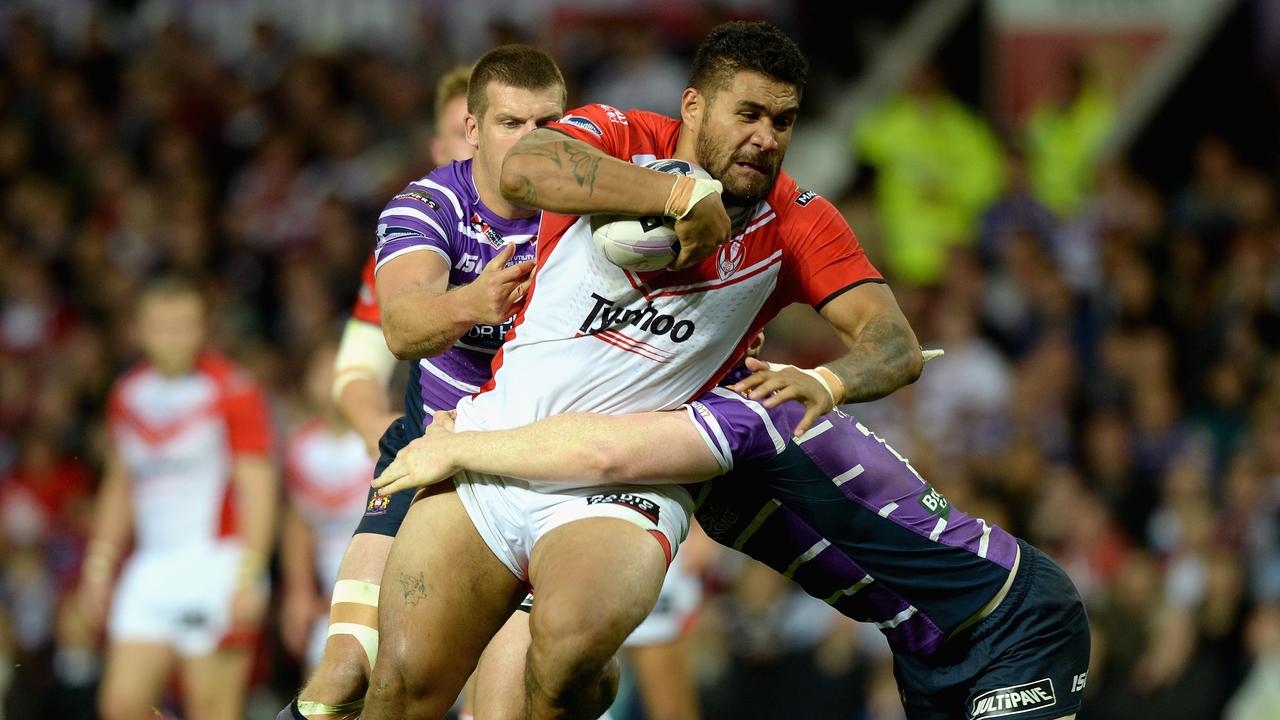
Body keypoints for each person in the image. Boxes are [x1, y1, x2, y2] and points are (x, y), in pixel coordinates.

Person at [362, 20, 922, 720]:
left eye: (783, 121)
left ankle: (586, 681)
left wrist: (832, 379)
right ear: (693, 107)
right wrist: (677, 197)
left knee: (562, 658)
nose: (766, 137)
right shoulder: (620, 135)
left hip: (623, 488)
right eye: (746, 114)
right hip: (491, 451)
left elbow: (894, 343)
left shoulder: (799, 223)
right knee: (399, 689)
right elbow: (525, 168)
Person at [379, 337, 1091, 720]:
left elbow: (599, 448)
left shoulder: (743, 409)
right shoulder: (679, 450)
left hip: (1010, 617)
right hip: (924, 649)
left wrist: (460, 444)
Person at [276, 45, 564, 720]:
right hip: (428, 449)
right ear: (464, 134)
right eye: (507, 124)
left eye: (543, 125)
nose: (526, 144)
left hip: (532, 468)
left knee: (503, 701)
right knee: (347, 670)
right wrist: (408, 452)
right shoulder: (417, 224)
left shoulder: (584, 218)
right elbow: (378, 352)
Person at [78, 276, 276, 720]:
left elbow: (258, 488)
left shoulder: (233, 388)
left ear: (202, 328)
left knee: (212, 710)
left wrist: (250, 574)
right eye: (163, 326)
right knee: (121, 706)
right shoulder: (127, 393)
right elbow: (120, 484)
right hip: (151, 566)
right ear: (139, 330)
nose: (175, 337)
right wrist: (99, 563)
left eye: (185, 325)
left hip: (217, 563)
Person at [279, 342, 377, 674]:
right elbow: (299, 522)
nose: (336, 383)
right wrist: (299, 593)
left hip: (380, 593)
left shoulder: (387, 442)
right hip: (329, 602)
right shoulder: (299, 445)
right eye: (326, 372)